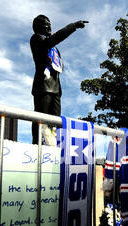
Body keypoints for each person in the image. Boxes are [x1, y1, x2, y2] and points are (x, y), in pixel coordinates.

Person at [30, 15, 88, 144]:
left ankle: (53, 150)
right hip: (43, 87)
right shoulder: (37, 39)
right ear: (38, 26)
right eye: (46, 24)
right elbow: (53, 39)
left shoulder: (54, 49)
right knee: (41, 121)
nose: (49, 26)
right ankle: (37, 148)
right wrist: (73, 26)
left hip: (56, 89)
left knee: (55, 124)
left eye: (50, 24)